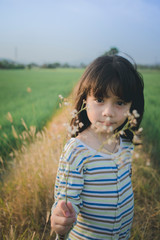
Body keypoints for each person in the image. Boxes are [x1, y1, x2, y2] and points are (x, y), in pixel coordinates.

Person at [51, 55, 144, 240]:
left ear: (132, 105)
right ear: (85, 99)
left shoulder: (125, 143)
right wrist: (60, 219)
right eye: (100, 99)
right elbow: (66, 203)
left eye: (120, 103)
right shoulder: (77, 150)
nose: (108, 112)